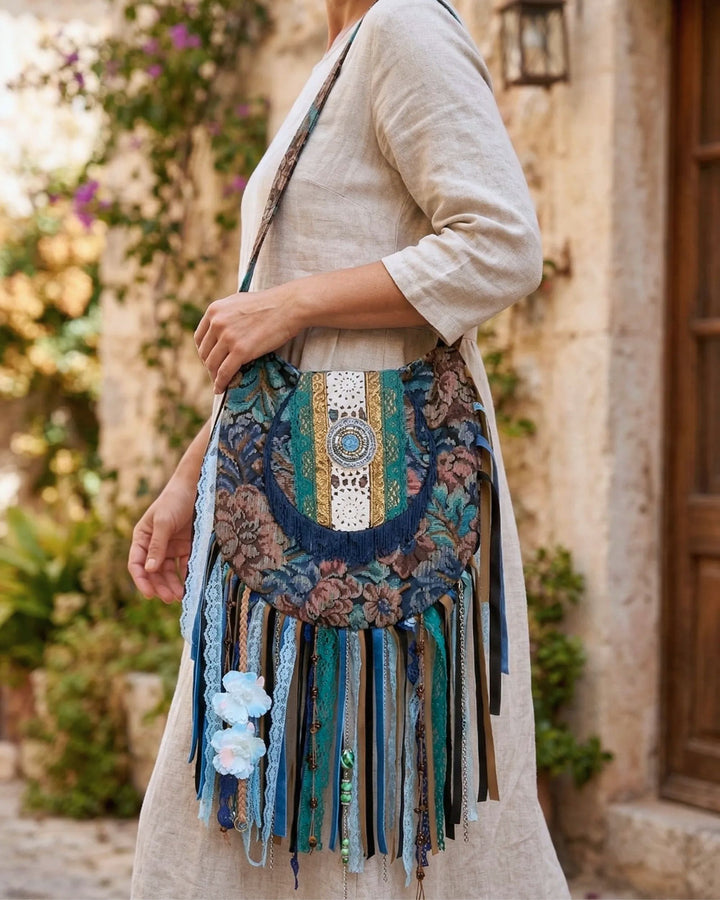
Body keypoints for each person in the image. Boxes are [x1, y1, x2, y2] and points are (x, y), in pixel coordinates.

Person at [128, 0, 570, 897]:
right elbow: (289, 350)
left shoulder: (403, 27)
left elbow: (502, 245)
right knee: (273, 764)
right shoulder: (342, 51)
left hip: (383, 495)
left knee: (363, 776)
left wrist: (291, 302)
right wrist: (189, 474)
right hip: (286, 483)